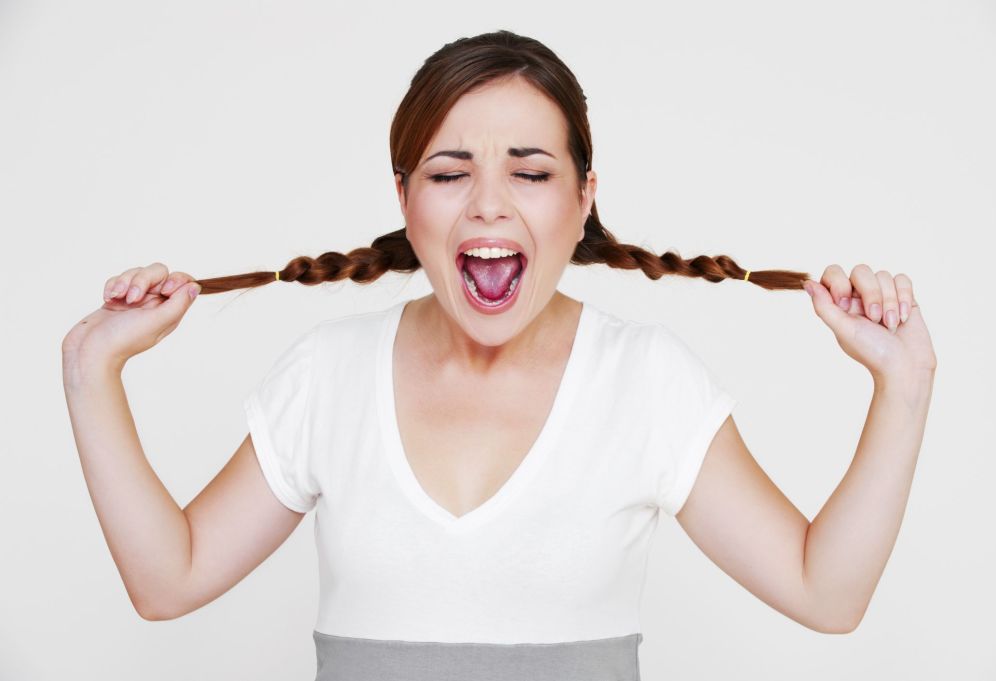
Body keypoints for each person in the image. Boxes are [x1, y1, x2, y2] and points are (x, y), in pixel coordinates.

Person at [61, 29, 937, 681]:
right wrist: (91, 370)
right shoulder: (327, 374)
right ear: (404, 199)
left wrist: (904, 386)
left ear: (584, 198)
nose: (487, 204)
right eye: (449, 174)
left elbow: (826, 593)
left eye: (531, 171)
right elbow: (167, 580)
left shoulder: (646, 381)